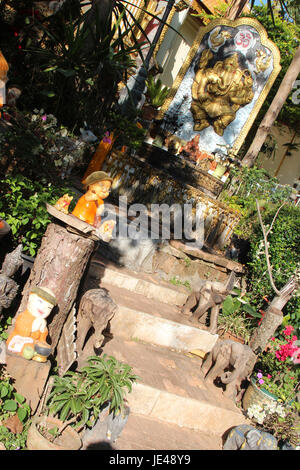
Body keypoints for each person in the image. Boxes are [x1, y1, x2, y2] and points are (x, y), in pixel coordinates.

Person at [6, 286, 56, 360]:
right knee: (28, 348)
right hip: (19, 341)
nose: (43, 308)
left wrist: (43, 330)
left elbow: (42, 337)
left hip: (33, 343)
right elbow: (22, 333)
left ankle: (38, 355)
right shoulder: (23, 316)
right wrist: (34, 327)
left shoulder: (42, 321)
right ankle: (34, 354)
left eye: (49, 307)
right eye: (40, 302)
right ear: (30, 299)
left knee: (44, 349)